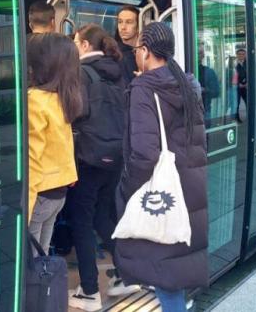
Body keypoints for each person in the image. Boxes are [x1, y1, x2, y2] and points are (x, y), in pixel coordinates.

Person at [115, 22, 208, 312]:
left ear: (145, 51)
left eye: (137, 50)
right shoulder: (187, 84)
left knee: (163, 276)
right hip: (188, 187)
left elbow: (144, 154)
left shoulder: (144, 88)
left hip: (161, 191)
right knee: (171, 272)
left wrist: (128, 188)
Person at [68, 24, 135, 311]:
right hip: (115, 156)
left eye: (74, 41)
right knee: (103, 217)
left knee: (81, 221)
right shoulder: (118, 71)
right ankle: (127, 273)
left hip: (88, 157)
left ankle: (89, 291)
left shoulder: (80, 73)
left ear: (83, 45)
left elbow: (75, 112)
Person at [26, 33, 82, 254]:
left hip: (39, 194)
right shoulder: (61, 97)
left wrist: (24, 206)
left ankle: (36, 289)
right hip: (58, 191)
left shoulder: (35, 99)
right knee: (43, 256)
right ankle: (44, 289)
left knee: (31, 259)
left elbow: (32, 159)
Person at [115, 5, 140, 84]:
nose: (123, 27)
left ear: (138, 26)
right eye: (120, 22)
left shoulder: (145, 53)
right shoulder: (114, 54)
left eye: (129, 22)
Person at [198, 45, 219, 122]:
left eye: (200, 53)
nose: (197, 55)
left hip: (205, 111)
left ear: (203, 56)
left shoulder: (209, 72)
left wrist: (204, 90)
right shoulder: (183, 69)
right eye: (197, 52)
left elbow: (216, 92)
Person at [233, 48, 247, 122]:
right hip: (237, 87)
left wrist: (247, 83)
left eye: (243, 54)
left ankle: (250, 117)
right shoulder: (234, 64)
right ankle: (237, 118)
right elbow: (231, 76)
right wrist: (239, 84)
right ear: (237, 55)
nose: (241, 56)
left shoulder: (248, 63)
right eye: (239, 54)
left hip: (246, 87)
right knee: (236, 103)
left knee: (248, 102)